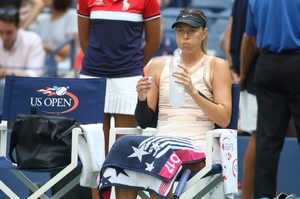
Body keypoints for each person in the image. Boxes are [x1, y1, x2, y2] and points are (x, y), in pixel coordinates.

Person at [98, 8, 232, 199]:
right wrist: (142, 98)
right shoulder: (158, 65)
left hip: (198, 145)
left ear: (204, 33)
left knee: (161, 152)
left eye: (192, 31)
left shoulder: (216, 65)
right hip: (162, 141)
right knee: (122, 146)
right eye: (180, 31)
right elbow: (144, 122)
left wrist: (193, 92)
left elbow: (224, 118)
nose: (185, 36)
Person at [77, 0, 161, 198]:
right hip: (93, 79)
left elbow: (154, 43)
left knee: (126, 156)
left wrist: (128, 66)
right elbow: (84, 42)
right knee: (96, 156)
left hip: (128, 80)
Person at [242, 0, 300, 198]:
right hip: (296, 63)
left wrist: (242, 76)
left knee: (267, 140)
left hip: (267, 66)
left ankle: (263, 196)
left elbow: (249, 38)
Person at [222, 0, 258, 198]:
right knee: (259, 137)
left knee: (264, 138)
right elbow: (249, 38)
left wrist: (232, 67)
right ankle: (247, 195)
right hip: (253, 76)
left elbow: (228, 33)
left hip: (244, 74)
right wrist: (241, 73)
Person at [0, 5, 45, 114]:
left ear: (18, 27)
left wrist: (6, 73)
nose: (5, 37)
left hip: (26, 92)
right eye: (1, 32)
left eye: (9, 32)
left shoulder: (33, 40)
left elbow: (34, 76)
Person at [35, 0, 78, 77]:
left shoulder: (72, 16)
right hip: (43, 68)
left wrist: (42, 47)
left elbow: (68, 50)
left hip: (65, 70)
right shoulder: (43, 20)